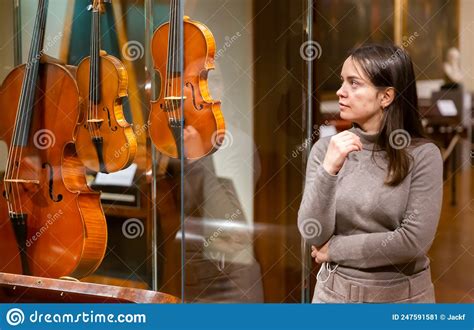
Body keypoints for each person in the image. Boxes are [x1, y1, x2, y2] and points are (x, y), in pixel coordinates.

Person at [298, 44, 443, 303]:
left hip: (403, 299)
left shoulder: (423, 155)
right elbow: (312, 233)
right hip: (333, 296)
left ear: (386, 96)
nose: (341, 92)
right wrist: (329, 170)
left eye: (354, 83)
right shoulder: (328, 149)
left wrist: (334, 249)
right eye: (342, 81)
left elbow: (413, 241)